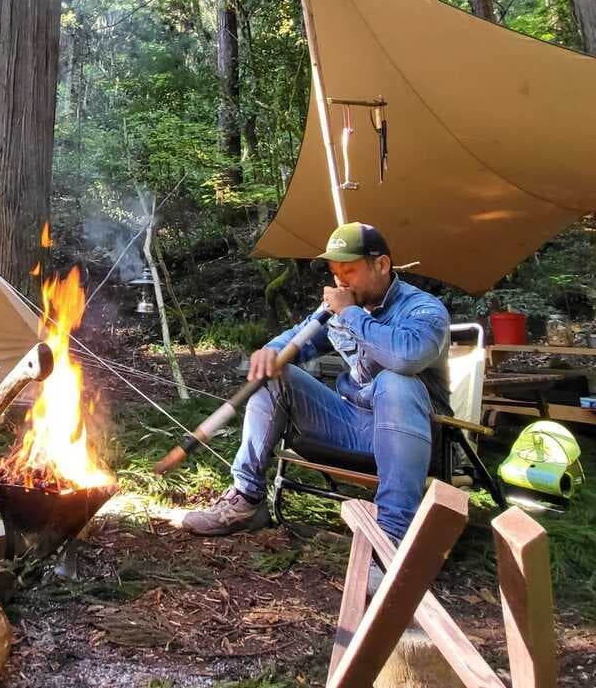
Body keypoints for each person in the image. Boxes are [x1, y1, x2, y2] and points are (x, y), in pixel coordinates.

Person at [181, 220, 450, 545]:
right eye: (334, 271)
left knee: (396, 383)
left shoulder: (423, 309)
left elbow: (406, 357)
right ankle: (246, 499)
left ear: (381, 264)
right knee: (277, 376)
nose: (339, 281)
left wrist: (351, 314)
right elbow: (298, 337)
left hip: (413, 437)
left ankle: (390, 536)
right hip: (352, 424)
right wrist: (271, 351)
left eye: (348, 270)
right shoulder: (337, 308)